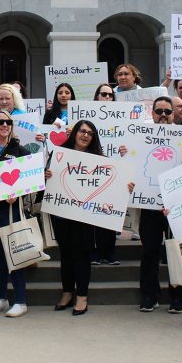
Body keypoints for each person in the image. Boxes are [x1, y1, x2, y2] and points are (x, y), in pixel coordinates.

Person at [45, 120, 106, 316]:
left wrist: (125, 187)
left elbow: (108, 187)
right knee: (66, 254)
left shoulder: (99, 160)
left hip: (85, 216)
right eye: (82, 131)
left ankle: (82, 296)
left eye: (90, 133)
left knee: (82, 254)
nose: (86, 135)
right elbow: (48, 180)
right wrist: (46, 175)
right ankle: (67, 292)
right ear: (75, 133)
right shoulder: (59, 154)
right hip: (62, 212)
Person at [137, 96, 182, 314]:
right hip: (150, 204)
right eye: (159, 111)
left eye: (168, 112)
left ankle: (177, 296)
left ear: (173, 114)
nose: (164, 115)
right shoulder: (141, 136)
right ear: (153, 113)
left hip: (176, 204)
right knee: (149, 251)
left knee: (176, 250)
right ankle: (150, 295)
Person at [0, 109, 31, 317]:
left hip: (9, 210)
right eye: (0, 122)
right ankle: (1, 297)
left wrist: (17, 193)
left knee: (14, 252)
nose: (4, 125)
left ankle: (20, 300)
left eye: (8, 122)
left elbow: (31, 179)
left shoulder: (19, 150)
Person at [91, 85, 121, 265]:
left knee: (110, 213)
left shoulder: (122, 118)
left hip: (114, 171)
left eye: (110, 95)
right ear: (97, 97)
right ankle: (94, 253)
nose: (107, 97)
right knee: (91, 216)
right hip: (92, 171)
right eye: (103, 94)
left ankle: (109, 253)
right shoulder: (87, 117)